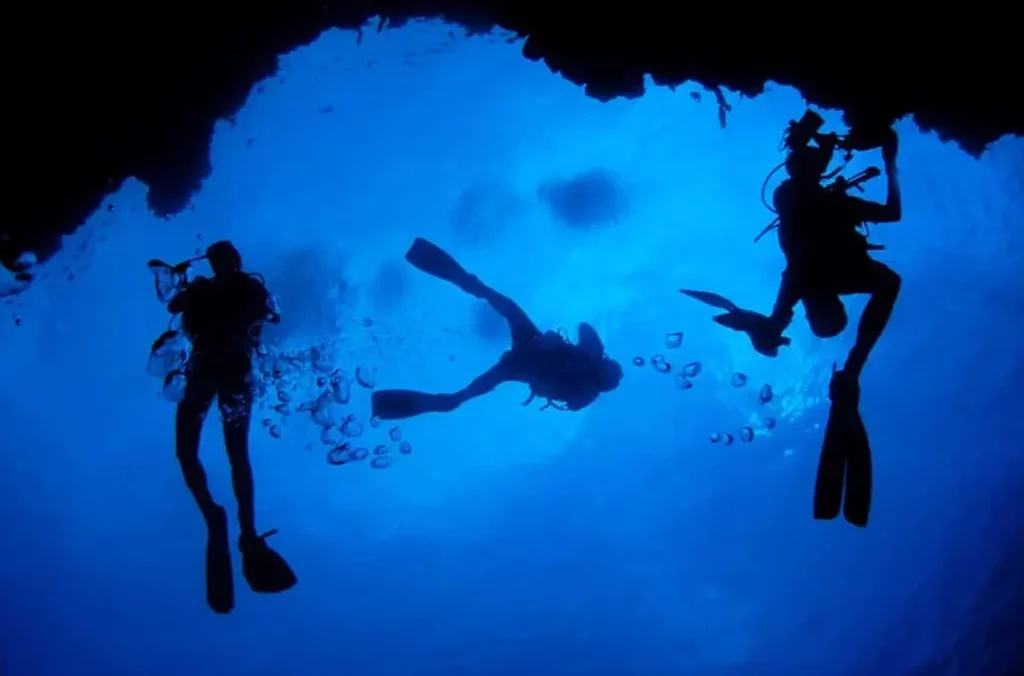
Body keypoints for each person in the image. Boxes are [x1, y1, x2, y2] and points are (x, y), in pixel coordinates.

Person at [168, 240, 295, 613]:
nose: (221, 264)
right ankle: (220, 518)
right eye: (216, 260)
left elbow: (272, 315)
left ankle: (245, 531)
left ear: (234, 262)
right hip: (207, 370)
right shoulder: (205, 289)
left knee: (234, 453)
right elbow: (174, 307)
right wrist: (189, 289)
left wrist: (205, 295)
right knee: (187, 451)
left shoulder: (247, 287)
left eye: (224, 260)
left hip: (230, 372)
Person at [371, 238, 623, 420]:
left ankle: (460, 278)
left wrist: (585, 348)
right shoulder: (585, 386)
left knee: (501, 303)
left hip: (532, 345)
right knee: (462, 396)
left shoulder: (593, 354)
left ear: (607, 366)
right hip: (523, 368)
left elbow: (583, 327)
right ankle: (427, 403)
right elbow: (557, 393)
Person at [760, 123, 903, 395]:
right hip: (826, 207)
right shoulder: (810, 284)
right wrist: (890, 163)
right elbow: (893, 215)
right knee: (803, 188)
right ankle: (813, 143)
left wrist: (891, 163)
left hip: (815, 205)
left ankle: (813, 142)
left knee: (801, 190)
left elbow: (775, 320)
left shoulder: (800, 283)